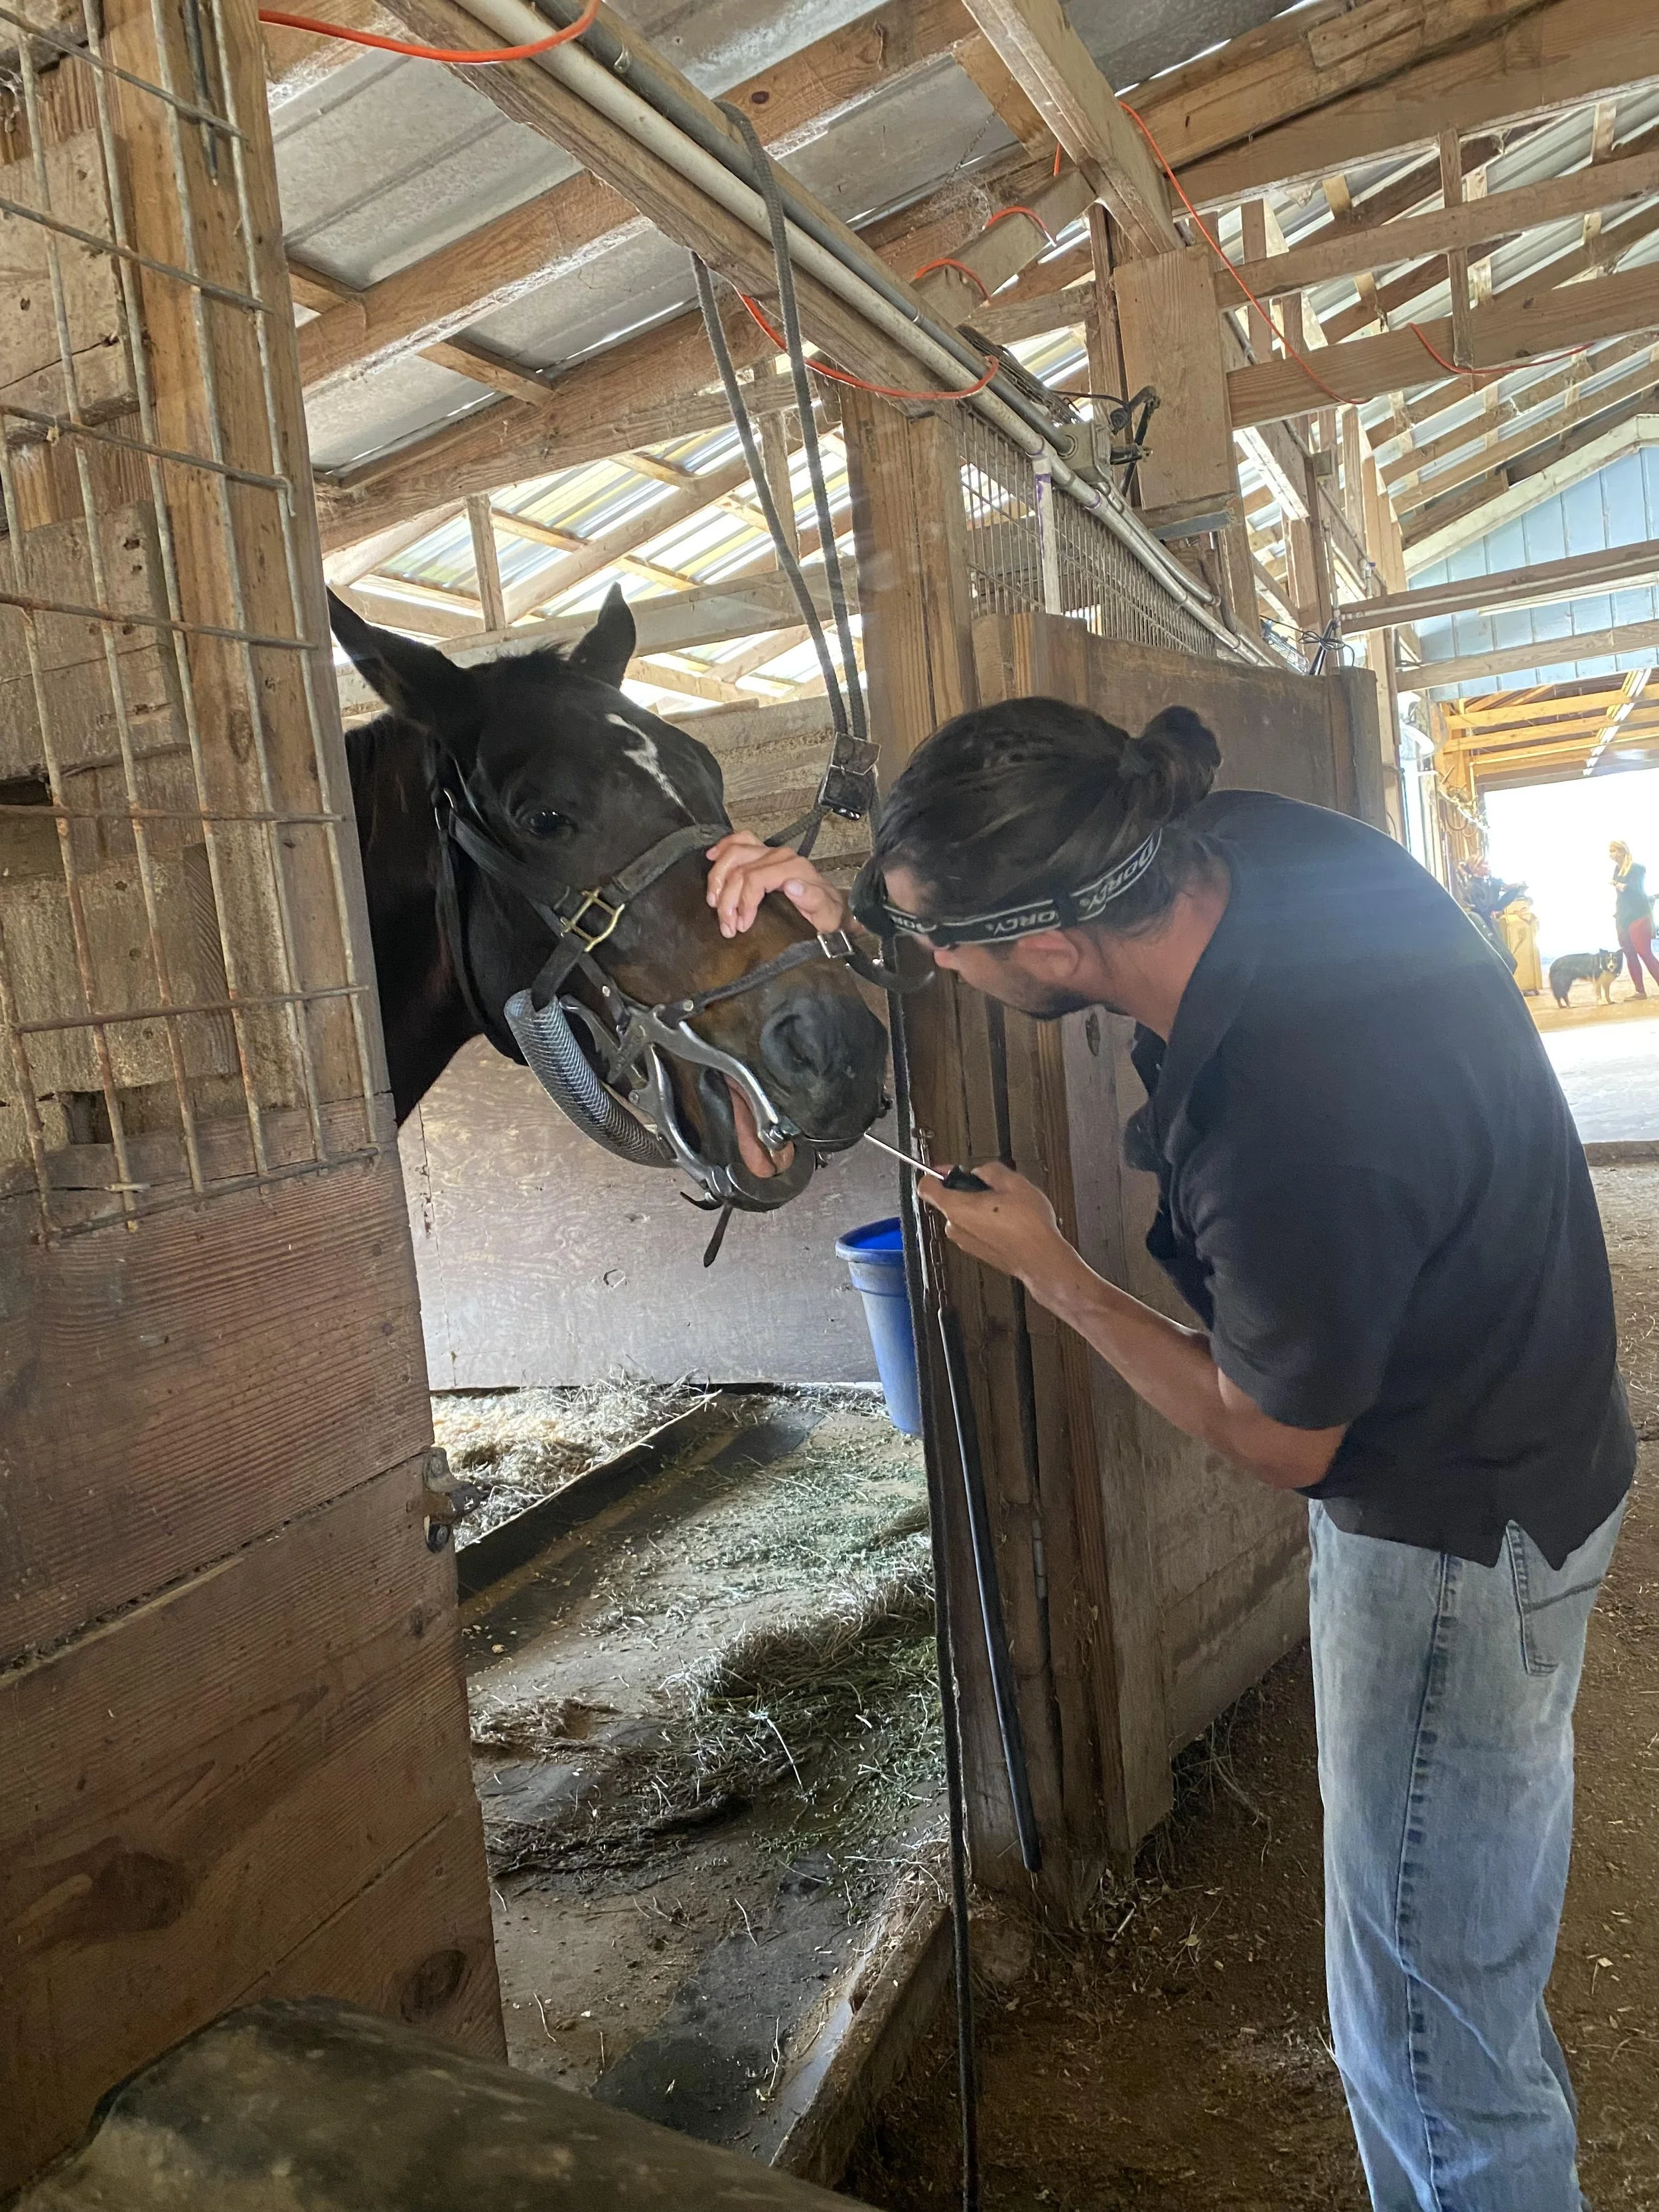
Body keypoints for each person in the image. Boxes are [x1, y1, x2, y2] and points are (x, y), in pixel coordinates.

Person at [706, 699, 1634, 2212]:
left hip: (1457, 1532)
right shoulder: (1246, 847)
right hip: (1530, 1427)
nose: (928, 965)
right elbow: (977, 922)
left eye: (944, 945)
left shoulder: (1293, 1124)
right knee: (1444, 1962)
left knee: (1423, 2039)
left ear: (1056, 949)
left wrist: (1054, 1273)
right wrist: (848, 915)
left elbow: (1278, 1436)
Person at [1609, 840, 1659, 997]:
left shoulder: (1637, 869)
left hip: (1639, 915)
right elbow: (1622, 896)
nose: (1611, 855)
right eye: (1610, 852)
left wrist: (1617, 884)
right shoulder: (1617, 869)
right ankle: (1640, 991)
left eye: (1613, 851)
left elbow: (1635, 890)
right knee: (1629, 953)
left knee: (1644, 952)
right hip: (1623, 916)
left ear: (1622, 851)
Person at [1500, 891, 1544, 995]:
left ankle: (1531, 985)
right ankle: (1521, 985)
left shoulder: (1530, 916)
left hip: (1528, 944)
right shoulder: (1509, 918)